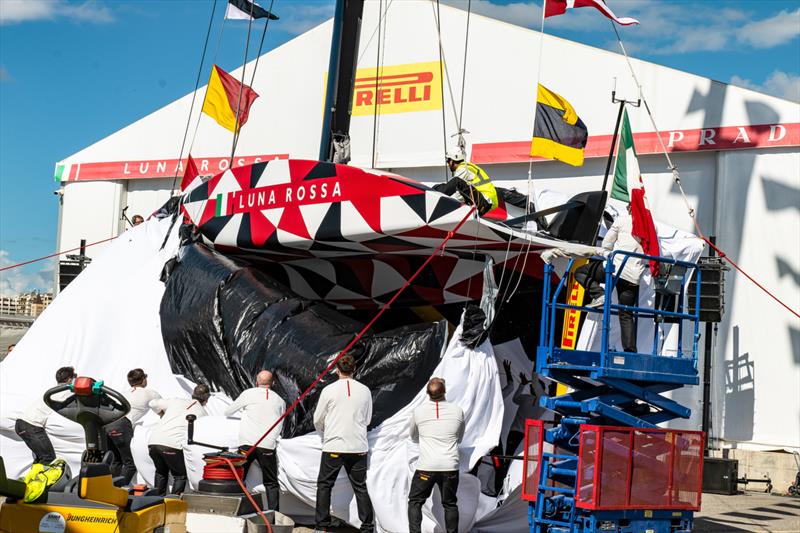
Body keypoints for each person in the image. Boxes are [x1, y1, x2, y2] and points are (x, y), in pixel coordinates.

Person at [313, 354, 374, 533]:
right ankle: (367, 527)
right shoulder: (365, 390)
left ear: (337, 370)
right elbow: (368, 419)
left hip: (334, 444)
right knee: (360, 486)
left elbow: (317, 419)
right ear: (354, 369)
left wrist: (324, 435)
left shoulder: (329, 390)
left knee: (325, 485)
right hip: (358, 446)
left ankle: (321, 526)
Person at [574, 205, 645, 353]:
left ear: (630, 208)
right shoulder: (651, 227)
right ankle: (630, 351)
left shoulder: (622, 220)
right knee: (626, 313)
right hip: (634, 275)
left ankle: (599, 295)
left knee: (580, 272)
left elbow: (606, 244)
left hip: (616, 269)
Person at [408, 377, 465, 533]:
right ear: (445, 390)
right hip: (450, 466)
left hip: (426, 466)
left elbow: (413, 437)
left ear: (427, 393)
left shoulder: (419, 411)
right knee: (450, 504)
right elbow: (459, 438)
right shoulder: (457, 410)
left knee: (415, 502)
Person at [224, 370, 285, 511]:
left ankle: (234, 509)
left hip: (247, 444)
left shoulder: (248, 394)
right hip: (267, 446)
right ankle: (274, 515)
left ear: (256, 382)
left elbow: (227, 412)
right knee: (271, 482)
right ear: (273, 383)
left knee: (239, 478)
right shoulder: (280, 400)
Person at [147, 384, 209, 495]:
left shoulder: (176, 401)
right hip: (172, 445)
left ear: (192, 395)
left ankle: (156, 501)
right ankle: (173, 504)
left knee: (161, 473)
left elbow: (152, 403)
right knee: (179, 475)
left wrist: (161, 414)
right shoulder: (203, 414)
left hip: (153, 442)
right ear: (206, 400)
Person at [104, 368, 161, 485]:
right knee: (131, 464)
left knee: (116, 461)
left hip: (107, 423)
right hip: (122, 424)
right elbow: (164, 408)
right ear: (143, 379)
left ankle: (108, 489)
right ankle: (118, 489)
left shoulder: (124, 393)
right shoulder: (150, 393)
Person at [15, 366, 76, 464]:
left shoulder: (53, 390)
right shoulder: (65, 392)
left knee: (40, 458)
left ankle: (33, 478)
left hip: (21, 424)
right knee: (48, 459)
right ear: (69, 379)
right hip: (31, 425)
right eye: (75, 376)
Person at [433, 146, 498, 215]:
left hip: (485, 202)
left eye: (448, 161)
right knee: (442, 186)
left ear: (452, 161)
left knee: (456, 181)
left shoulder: (463, 169)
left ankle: (434, 198)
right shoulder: (468, 166)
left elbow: (456, 192)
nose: (448, 164)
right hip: (486, 201)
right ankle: (435, 194)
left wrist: (447, 204)